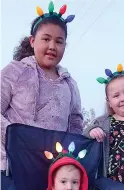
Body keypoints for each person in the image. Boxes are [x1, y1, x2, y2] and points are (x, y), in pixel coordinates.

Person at [1, 1, 83, 174]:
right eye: (46, 39)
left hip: (53, 169)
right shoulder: (15, 71)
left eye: (59, 41)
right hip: (15, 164)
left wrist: (67, 158)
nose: (52, 46)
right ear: (32, 41)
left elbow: (75, 124)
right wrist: (16, 138)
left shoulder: (70, 84)